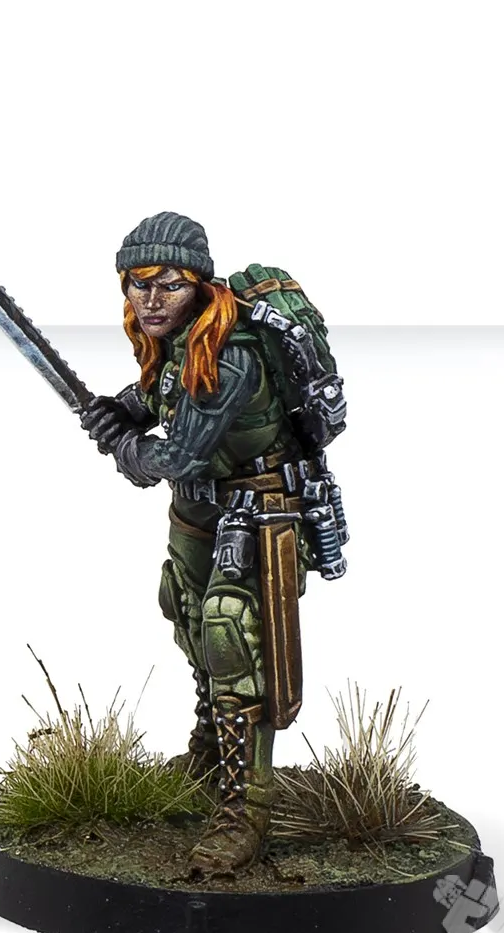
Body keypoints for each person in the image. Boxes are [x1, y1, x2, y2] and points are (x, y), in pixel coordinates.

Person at [80, 211, 315, 875]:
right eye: (139, 284)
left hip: (257, 509)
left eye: (170, 284)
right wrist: (121, 410)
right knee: (184, 610)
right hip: (198, 509)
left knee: (230, 634)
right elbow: (161, 394)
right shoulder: (178, 340)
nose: (152, 299)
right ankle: (213, 748)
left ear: (199, 285)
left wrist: (127, 450)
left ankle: (245, 807)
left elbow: (179, 452)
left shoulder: (230, 352)